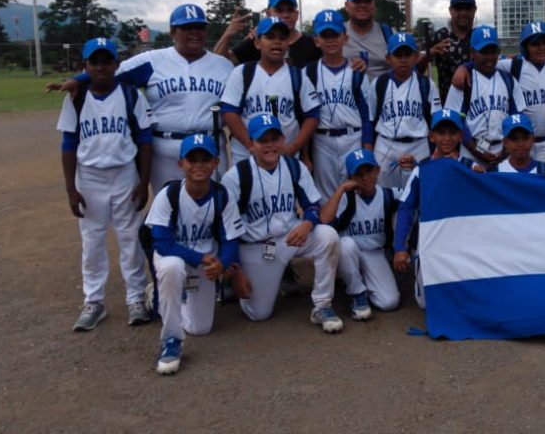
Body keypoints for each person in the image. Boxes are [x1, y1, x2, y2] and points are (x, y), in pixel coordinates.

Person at [49, 4, 235, 193]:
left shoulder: (223, 66)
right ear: (173, 32)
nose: (194, 32)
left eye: (199, 27)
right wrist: (79, 80)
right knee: (167, 206)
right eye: (186, 28)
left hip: (210, 147)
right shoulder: (151, 61)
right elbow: (110, 72)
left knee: (212, 207)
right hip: (165, 149)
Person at [56, 38, 152, 331]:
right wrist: (71, 189)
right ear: (84, 65)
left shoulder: (130, 94)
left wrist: (143, 181)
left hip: (124, 174)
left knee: (130, 238)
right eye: (94, 62)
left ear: (115, 64)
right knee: (93, 240)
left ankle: (135, 298)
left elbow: (145, 140)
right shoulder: (76, 96)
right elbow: (68, 143)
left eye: (106, 61)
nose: (100, 67)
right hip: (90, 177)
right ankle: (93, 301)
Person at [220, 114, 343, 332]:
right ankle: (259, 281)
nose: (269, 145)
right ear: (251, 144)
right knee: (258, 314)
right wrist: (236, 272)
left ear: (282, 140)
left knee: (328, 236)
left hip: (291, 237)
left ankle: (322, 305)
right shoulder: (236, 176)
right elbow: (228, 230)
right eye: (262, 140)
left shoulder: (294, 167)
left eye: (274, 139)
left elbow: (313, 206)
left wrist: (307, 224)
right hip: (255, 246)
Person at [147, 134, 246, 375]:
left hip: (207, 264)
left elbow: (231, 240)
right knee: (172, 268)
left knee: (201, 328)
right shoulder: (169, 195)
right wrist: (201, 259)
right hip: (178, 258)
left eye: (205, 159)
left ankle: (170, 298)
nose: (199, 165)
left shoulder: (222, 196)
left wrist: (223, 264)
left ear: (216, 163)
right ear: (181, 164)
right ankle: (171, 340)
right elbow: (162, 243)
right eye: (192, 159)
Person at [391, 109, 474, 309]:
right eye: (441, 133)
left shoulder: (471, 168)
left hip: (464, 241)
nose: (446, 138)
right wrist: (399, 247)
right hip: (431, 240)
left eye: (452, 133)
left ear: (460, 136)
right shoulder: (423, 170)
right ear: (432, 136)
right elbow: (406, 208)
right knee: (426, 304)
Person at [219, 17, 321, 166]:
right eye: (270, 37)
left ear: (288, 44)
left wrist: (294, 147)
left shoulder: (297, 75)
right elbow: (229, 111)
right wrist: (251, 145)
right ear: (257, 42)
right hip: (246, 157)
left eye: (282, 38)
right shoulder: (243, 72)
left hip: (286, 156)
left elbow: (312, 115)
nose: (277, 42)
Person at [320, 149, 400, 320]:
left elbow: (414, 200)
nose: (365, 177)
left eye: (369, 171)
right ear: (350, 177)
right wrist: (341, 189)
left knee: (389, 302)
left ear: (377, 170)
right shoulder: (346, 197)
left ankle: (356, 279)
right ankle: (357, 293)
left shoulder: (388, 194)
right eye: (358, 174)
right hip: (349, 252)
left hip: (375, 253)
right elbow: (325, 221)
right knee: (345, 244)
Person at [304, 9, 375, 199]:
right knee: (324, 196)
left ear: (345, 37)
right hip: (322, 140)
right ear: (316, 40)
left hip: (353, 137)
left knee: (355, 190)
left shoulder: (357, 71)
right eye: (325, 36)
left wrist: (368, 148)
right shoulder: (309, 73)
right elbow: (304, 117)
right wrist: (305, 154)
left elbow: (366, 115)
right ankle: (328, 229)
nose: (331, 40)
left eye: (335, 34)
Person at [442, 25, 522, 167]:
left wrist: (506, 149)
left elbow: (516, 118)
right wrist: (476, 150)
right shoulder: (463, 81)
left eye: (493, 51)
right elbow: (456, 121)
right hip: (470, 150)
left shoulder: (509, 81)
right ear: (472, 52)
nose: (490, 57)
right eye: (484, 52)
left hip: (503, 151)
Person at [372, 32, 441, 189]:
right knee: (384, 194)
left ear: (416, 56)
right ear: (388, 58)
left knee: (420, 194)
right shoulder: (379, 84)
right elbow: (370, 119)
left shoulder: (426, 84)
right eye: (398, 55)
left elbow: (436, 120)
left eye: (408, 54)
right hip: (385, 145)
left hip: (418, 146)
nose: (403, 60)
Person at [214, 0, 322, 69]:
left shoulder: (312, 44)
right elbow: (218, 63)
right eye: (279, 10)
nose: (285, 15)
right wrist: (228, 35)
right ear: (268, 13)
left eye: (290, 10)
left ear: (297, 14)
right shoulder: (258, 41)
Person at [422, 0, 477, 102]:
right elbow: (415, 68)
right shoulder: (439, 36)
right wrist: (430, 52)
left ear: (474, 10)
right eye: (458, 8)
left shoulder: (479, 36)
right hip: (447, 108)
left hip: (477, 106)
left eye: (467, 8)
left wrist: (467, 67)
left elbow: (492, 62)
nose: (463, 13)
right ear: (451, 10)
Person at [492, 114, 545, 179]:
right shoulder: (495, 172)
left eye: (525, 138)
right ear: (505, 142)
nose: (520, 144)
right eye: (514, 139)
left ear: (533, 139)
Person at [344, 0, 395, 79]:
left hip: (383, 92)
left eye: (367, 1)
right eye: (357, 1)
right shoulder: (336, 34)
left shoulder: (389, 34)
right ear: (346, 5)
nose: (363, 5)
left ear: (374, 5)